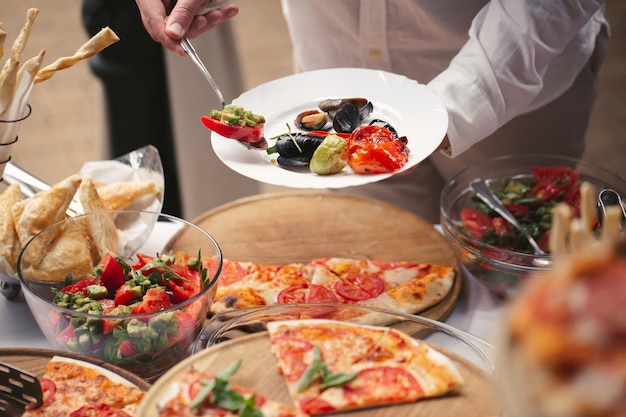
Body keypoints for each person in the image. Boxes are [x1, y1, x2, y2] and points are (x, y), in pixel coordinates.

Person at [137, 0, 609, 223]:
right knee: (380, 294)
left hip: (512, 93)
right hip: (332, 72)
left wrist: (452, 104)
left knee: (524, 290)